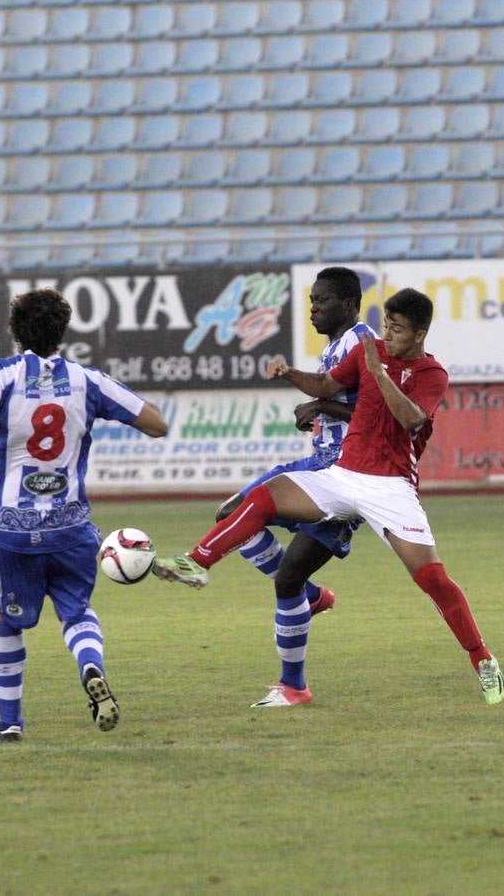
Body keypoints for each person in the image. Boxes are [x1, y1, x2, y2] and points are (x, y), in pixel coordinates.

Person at [153, 288, 504, 707]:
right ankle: (196, 561)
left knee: (432, 579)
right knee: (265, 497)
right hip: (343, 475)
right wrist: (288, 373)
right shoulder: (368, 351)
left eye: (398, 329)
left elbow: (412, 419)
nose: (388, 334)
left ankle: (482, 659)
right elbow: (326, 384)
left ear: (420, 335)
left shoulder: (433, 374)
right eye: (387, 325)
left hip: (391, 487)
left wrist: (379, 374)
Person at [0, 288, 168, 743]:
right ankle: (90, 665)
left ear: (14, 332)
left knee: (6, 619)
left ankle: (10, 723)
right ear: (63, 330)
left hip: (9, 532)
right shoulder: (87, 380)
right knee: (76, 612)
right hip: (72, 528)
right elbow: (157, 424)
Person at [210, 266, 374, 708]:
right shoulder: (337, 348)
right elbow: (346, 407)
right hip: (320, 464)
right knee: (233, 516)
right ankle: (311, 599)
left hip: (347, 477)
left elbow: (378, 420)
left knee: (286, 579)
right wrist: (319, 415)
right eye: (311, 301)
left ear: (348, 304)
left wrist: (320, 404)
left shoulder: (361, 343)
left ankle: (294, 687)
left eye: (322, 301)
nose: (314, 308)